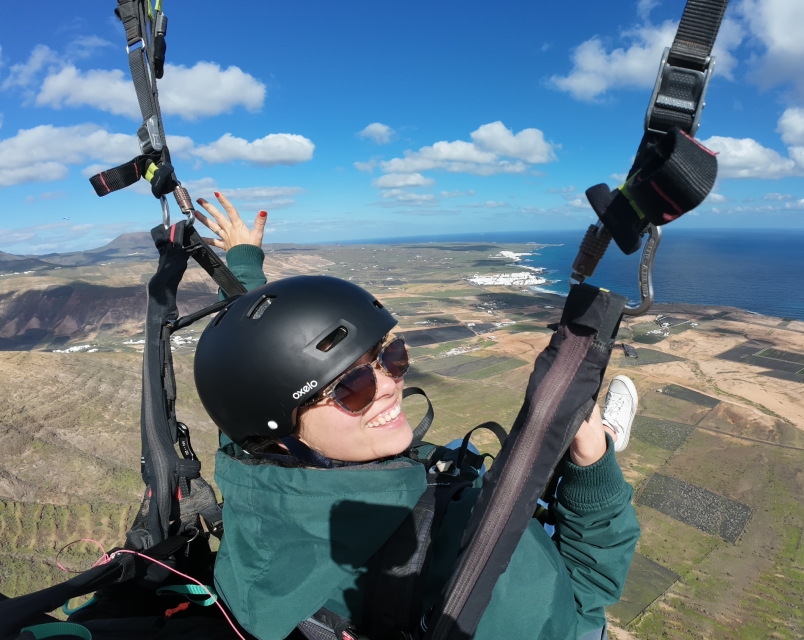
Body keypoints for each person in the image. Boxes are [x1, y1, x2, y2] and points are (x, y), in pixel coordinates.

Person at [192, 194, 641, 640]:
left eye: (391, 355)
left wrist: (243, 260)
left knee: (444, 455)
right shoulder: (490, 584)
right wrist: (592, 460)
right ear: (282, 435)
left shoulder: (248, 462)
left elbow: (247, 369)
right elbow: (588, 590)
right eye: (352, 389)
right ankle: (601, 434)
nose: (388, 384)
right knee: (465, 464)